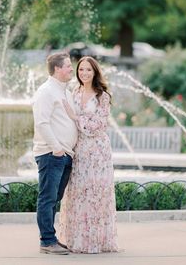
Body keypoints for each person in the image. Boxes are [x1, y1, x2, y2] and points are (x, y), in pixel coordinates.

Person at [59, 56, 118, 253]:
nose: (84, 73)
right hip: (79, 149)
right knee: (78, 193)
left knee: (96, 193)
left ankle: (96, 241)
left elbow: (98, 126)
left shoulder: (103, 96)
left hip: (98, 151)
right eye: (81, 69)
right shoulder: (73, 93)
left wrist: (76, 117)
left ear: (95, 72)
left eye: (88, 70)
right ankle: (77, 240)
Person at [32, 52, 78, 255]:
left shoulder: (65, 91)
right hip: (52, 154)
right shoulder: (46, 91)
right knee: (47, 198)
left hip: (65, 154)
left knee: (54, 198)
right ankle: (47, 241)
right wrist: (56, 148)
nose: (71, 69)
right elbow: (41, 122)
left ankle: (51, 239)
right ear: (58, 69)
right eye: (68, 66)